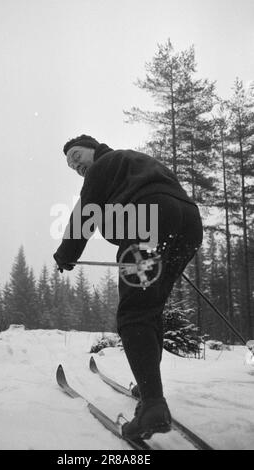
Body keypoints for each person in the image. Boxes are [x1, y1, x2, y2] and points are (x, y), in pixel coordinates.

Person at [53, 134, 203, 439]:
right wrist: (169, 234)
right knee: (151, 308)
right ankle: (149, 388)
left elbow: (87, 211)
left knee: (135, 313)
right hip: (187, 222)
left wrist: (66, 255)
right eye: (70, 163)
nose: (75, 163)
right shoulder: (134, 161)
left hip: (146, 219)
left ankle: (152, 406)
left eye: (76, 154)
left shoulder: (104, 163)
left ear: (93, 149)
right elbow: (168, 194)